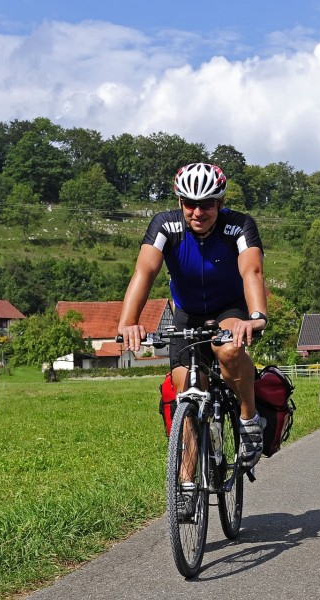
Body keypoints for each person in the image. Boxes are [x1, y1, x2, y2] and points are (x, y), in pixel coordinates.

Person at [118, 162, 269, 472]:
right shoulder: (164, 226)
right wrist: (127, 321)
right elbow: (145, 271)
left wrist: (255, 316)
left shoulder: (238, 227)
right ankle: (186, 486)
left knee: (228, 349)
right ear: (179, 202)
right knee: (187, 393)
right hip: (186, 315)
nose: (198, 212)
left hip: (230, 310)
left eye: (207, 204)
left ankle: (249, 419)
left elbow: (252, 270)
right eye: (190, 204)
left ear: (220, 203)